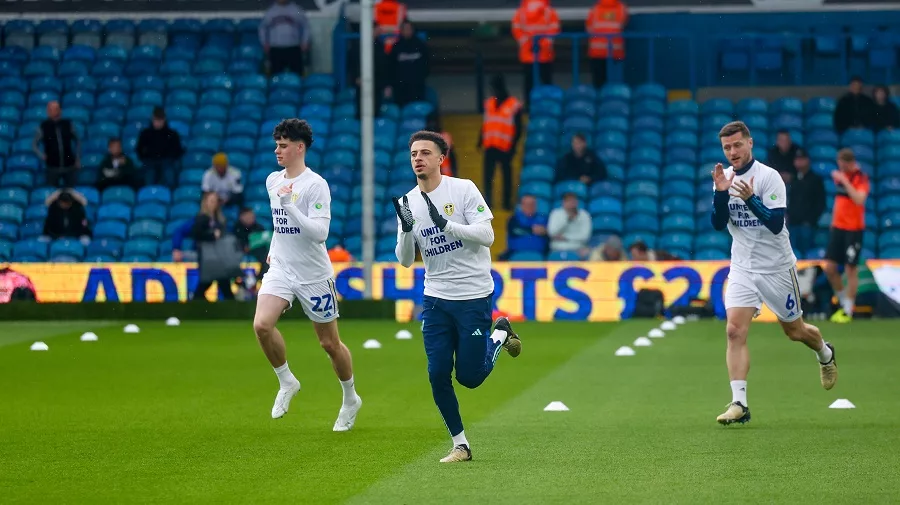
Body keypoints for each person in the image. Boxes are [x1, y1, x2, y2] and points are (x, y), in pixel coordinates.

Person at [392, 130, 521, 463]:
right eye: (413, 154)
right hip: (435, 299)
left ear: (440, 159)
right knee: (437, 373)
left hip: (473, 296)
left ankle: (500, 333)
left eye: (424, 153)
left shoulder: (462, 189)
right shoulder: (407, 203)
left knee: (470, 377)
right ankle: (461, 444)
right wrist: (407, 231)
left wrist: (447, 225)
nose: (417, 158)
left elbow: (488, 235)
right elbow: (405, 259)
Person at [710, 121, 837, 425]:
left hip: (776, 267)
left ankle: (824, 352)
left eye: (737, 145)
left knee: (795, 331)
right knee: (733, 331)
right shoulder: (722, 178)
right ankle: (739, 403)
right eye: (727, 147)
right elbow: (717, 223)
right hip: (742, 265)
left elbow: (776, 223)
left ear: (750, 143)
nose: (732, 152)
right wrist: (721, 195)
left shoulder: (769, 177)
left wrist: (751, 198)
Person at [253, 119, 362, 431]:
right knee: (261, 324)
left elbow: (320, 233)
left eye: (283, 145)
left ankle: (350, 397)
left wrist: (291, 207)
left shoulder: (316, 185)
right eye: (276, 145)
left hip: (313, 274)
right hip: (282, 267)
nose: (277, 150)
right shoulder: (272, 181)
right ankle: (287, 381)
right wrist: (273, 249)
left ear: (299, 148)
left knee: (329, 344)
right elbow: (278, 226)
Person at [823, 148, 870, 324]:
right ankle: (843, 302)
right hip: (838, 228)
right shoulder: (841, 178)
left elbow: (859, 199)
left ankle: (849, 310)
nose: (841, 168)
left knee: (851, 268)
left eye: (843, 165)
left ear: (849, 163)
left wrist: (845, 181)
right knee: (829, 267)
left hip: (854, 229)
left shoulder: (860, 178)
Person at [478, 74, 522, 211]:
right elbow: (486, 123)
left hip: (505, 146)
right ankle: (488, 201)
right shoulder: (489, 103)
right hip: (490, 145)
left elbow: (518, 128)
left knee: (507, 176)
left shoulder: (514, 104)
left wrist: (513, 146)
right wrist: (480, 140)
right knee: (487, 176)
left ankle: (506, 202)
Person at [191, 192, 236, 301]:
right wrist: (211, 235)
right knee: (210, 282)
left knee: (221, 281)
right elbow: (196, 234)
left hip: (218, 255)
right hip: (207, 255)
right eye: (211, 201)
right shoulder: (201, 218)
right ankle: (196, 302)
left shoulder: (219, 219)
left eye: (215, 201)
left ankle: (197, 303)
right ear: (205, 202)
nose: (214, 204)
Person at [786, 149, 826, 257]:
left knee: (806, 255)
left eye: (801, 159)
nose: (799, 162)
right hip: (793, 224)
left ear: (807, 161)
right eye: (797, 160)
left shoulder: (816, 180)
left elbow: (821, 203)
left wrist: (810, 220)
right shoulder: (794, 179)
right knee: (792, 254)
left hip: (807, 226)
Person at [33, 101, 80, 187]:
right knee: (52, 194)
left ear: (60, 110)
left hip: (69, 166)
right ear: (47, 111)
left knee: (70, 194)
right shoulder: (43, 127)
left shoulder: (68, 124)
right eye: (51, 109)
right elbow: (34, 145)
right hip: (52, 167)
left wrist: (77, 157)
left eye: (56, 109)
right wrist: (42, 156)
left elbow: (78, 141)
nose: (54, 111)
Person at [258, 0, 311, 75]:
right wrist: (264, 42)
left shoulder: (297, 10)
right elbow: (262, 28)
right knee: (276, 75)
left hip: (293, 47)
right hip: (276, 48)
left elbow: (306, 26)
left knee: (297, 75)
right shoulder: (270, 11)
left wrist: (305, 41)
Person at [386, 20, 429, 108]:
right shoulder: (396, 47)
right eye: (404, 29)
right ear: (401, 31)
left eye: (409, 29)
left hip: (417, 86)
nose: (407, 31)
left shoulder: (421, 45)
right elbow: (390, 67)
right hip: (400, 88)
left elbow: (427, 64)